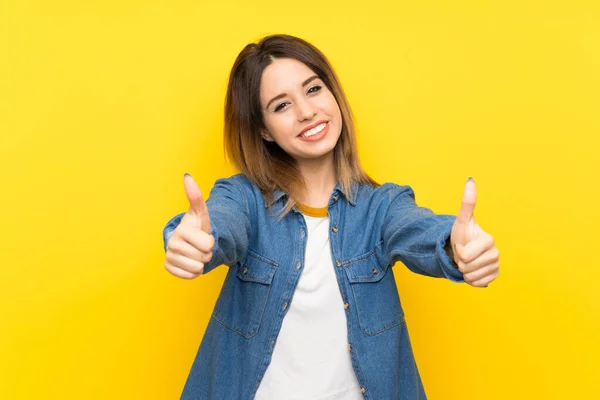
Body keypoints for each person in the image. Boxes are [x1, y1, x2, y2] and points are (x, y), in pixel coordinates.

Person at [162, 34, 500, 400]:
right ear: (263, 130)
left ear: (333, 93)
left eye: (313, 89)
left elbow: (416, 229)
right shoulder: (243, 199)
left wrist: (455, 246)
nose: (307, 112)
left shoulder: (381, 207)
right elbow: (221, 223)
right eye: (281, 106)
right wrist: (194, 241)